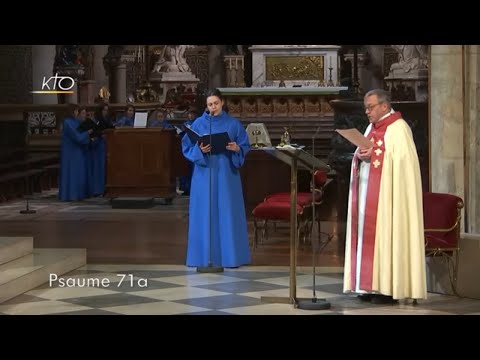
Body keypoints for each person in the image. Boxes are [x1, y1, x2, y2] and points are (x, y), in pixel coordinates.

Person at [343, 89, 427, 304]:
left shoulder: (399, 129)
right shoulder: (371, 127)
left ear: (384, 105)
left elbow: (402, 163)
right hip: (367, 195)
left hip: (389, 200)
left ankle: (387, 287)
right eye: (366, 107)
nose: (367, 111)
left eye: (370, 107)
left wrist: (376, 154)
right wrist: (361, 155)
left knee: (387, 235)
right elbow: (366, 151)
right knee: (367, 237)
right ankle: (367, 285)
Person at [181, 89, 251, 268]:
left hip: (227, 175)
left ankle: (231, 257)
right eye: (210, 104)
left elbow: (244, 145)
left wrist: (237, 149)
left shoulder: (233, 124)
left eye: (216, 104)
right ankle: (202, 258)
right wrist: (199, 151)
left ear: (222, 102)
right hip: (204, 174)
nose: (213, 107)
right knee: (204, 214)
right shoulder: (198, 123)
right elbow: (187, 146)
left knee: (227, 213)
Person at [58, 105, 93, 201]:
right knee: (71, 173)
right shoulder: (67, 122)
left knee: (79, 173)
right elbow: (77, 137)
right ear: (72, 111)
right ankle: (70, 195)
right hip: (70, 152)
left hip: (78, 150)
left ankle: (78, 194)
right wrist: (87, 133)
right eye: (77, 111)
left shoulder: (76, 122)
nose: (77, 113)